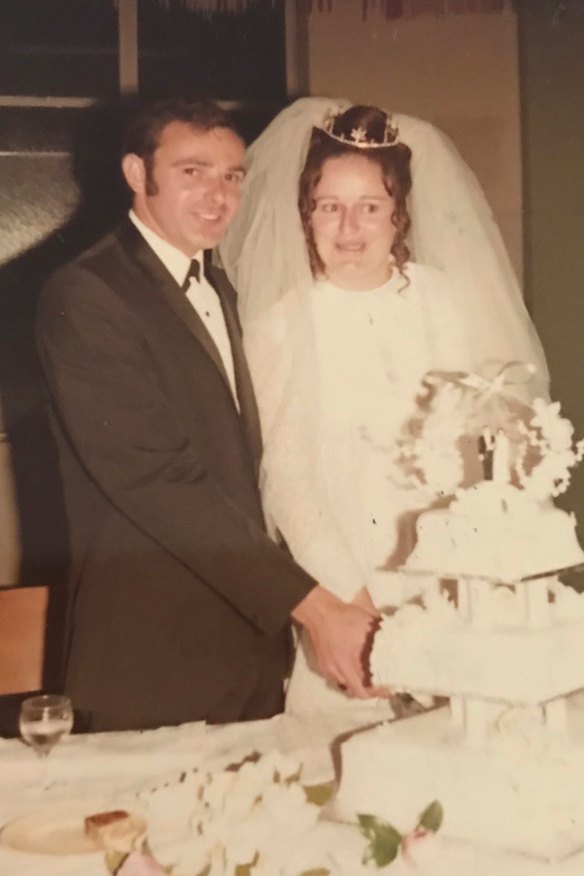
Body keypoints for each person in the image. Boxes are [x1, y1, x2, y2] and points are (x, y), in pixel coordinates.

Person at [35, 99, 380, 732]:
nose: (218, 196)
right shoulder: (87, 296)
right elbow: (157, 481)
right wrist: (317, 609)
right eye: (193, 172)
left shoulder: (218, 284)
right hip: (154, 664)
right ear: (138, 175)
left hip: (248, 657)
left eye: (233, 176)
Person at [220, 98, 549, 713]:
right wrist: (355, 601)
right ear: (306, 216)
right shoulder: (281, 327)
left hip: (457, 587)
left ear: (399, 217)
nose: (349, 229)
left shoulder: (447, 302)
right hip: (350, 596)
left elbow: (492, 439)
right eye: (330, 207)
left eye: (369, 208)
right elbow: (285, 476)